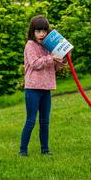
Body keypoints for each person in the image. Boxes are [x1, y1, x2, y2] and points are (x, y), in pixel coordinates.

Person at [19, 15, 67, 156]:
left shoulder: (48, 47)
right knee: (31, 121)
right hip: (32, 89)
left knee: (45, 122)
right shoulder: (30, 45)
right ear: (32, 32)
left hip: (46, 89)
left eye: (44, 31)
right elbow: (35, 64)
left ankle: (45, 150)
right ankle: (22, 151)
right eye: (38, 31)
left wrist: (61, 58)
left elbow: (56, 67)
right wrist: (51, 58)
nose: (41, 34)